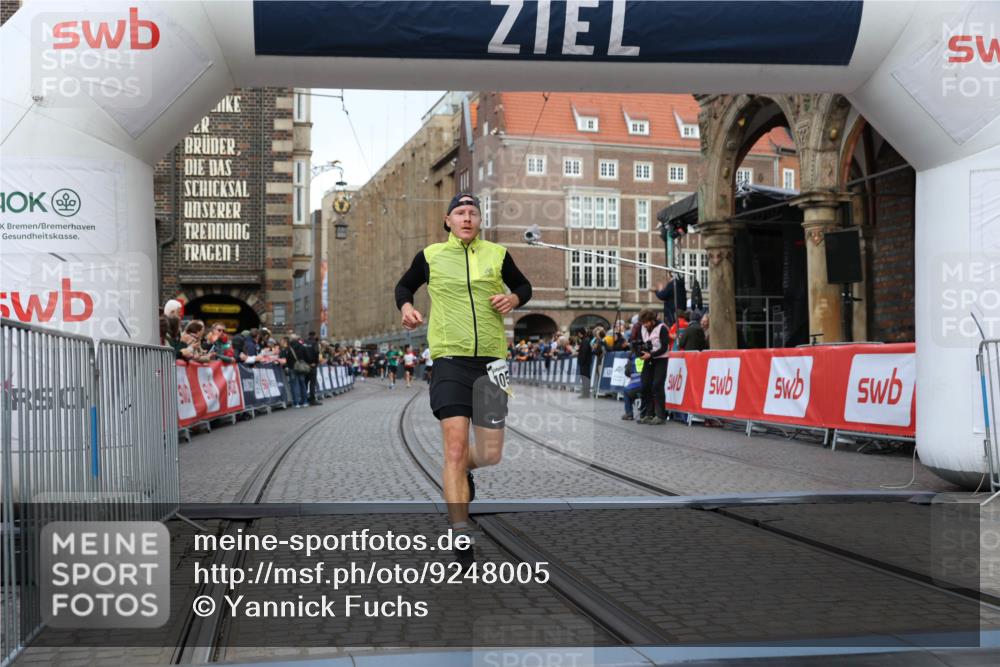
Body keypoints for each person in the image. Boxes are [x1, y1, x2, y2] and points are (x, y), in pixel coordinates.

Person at [395, 192, 531, 565]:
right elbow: (404, 287)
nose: (467, 218)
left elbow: (524, 288)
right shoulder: (431, 256)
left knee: (489, 453)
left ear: (480, 219)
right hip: (450, 360)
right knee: (454, 448)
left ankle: (464, 472)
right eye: (460, 212)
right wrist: (407, 308)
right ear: (448, 220)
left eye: (473, 212)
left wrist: (513, 301)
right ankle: (460, 531)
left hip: (491, 363)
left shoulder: (498, 255)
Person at [637, 309, 670, 425]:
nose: (645, 325)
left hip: (661, 359)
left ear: (652, 320)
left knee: (657, 385)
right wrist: (641, 351)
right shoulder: (643, 328)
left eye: (646, 322)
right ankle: (648, 414)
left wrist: (651, 354)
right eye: (643, 323)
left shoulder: (662, 328)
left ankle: (660, 415)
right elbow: (643, 342)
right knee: (645, 385)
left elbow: (664, 347)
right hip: (648, 359)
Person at [621, 351, 644, 421]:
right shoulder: (646, 355)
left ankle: (629, 414)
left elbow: (627, 372)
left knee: (626, 391)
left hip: (637, 384)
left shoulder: (633, 357)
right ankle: (645, 413)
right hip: (648, 384)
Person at [304, 331, 321, 405]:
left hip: (305, 365)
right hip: (312, 365)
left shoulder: (304, 343)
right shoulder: (315, 343)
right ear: (314, 335)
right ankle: (312, 400)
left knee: (305, 382)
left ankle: (304, 398)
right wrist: (316, 362)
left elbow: (302, 353)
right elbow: (316, 353)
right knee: (312, 383)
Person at [575, 327, 593, 398]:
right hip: (585, 362)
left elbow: (584, 352)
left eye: (577, 333)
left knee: (585, 378)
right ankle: (585, 393)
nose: (577, 335)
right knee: (585, 378)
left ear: (580, 333)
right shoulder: (585, 340)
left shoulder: (585, 340)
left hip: (585, 363)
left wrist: (581, 361)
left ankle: (586, 394)